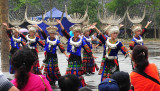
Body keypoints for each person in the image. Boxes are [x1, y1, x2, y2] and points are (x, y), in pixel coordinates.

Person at [57, 19, 97, 87]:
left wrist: (92, 55)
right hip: (71, 58)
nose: (78, 33)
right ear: (74, 32)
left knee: (78, 73)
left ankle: (79, 85)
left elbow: (87, 48)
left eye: (79, 32)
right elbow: (64, 32)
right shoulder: (70, 38)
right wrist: (60, 23)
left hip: (78, 59)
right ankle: (69, 84)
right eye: (76, 32)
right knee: (70, 72)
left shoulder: (81, 41)